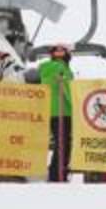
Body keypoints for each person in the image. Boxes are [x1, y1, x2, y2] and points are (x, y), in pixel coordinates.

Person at [40, 45, 75, 182]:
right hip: (63, 111)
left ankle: (56, 172)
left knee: (60, 143)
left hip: (50, 110)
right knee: (64, 144)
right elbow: (67, 90)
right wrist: (76, 106)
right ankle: (58, 175)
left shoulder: (45, 68)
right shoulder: (62, 68)